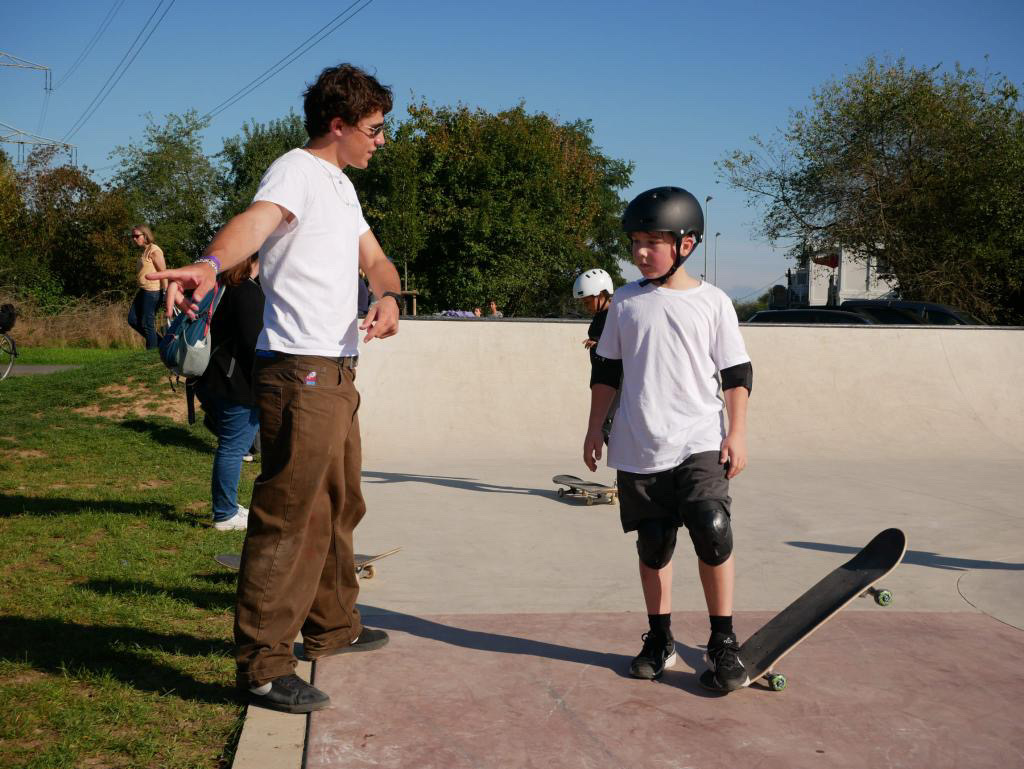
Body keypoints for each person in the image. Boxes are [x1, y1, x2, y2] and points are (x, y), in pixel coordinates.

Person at [149, 63, 403, 714]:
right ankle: (263, 665)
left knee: (340, 501)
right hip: (299, 369)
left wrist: (388, 294)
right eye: (374, 128)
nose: (382, 140)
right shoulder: (296, 170)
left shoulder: (341, 188)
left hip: (338, 367)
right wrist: (210, 263)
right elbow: (255, 221)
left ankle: (333, 624)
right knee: (289, 511)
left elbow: (375, 260)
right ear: (338, 125)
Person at [582, 187, 753, 691]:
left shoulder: (713, 302)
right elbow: (606, 371)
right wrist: (593, 428)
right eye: (635, 242)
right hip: (638, 444)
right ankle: (660, 640)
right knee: (654, 545)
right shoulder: (625, 302)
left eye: (652, 242)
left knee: (712, 527)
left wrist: (737, 433)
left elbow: (737, 373)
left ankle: (723, 641)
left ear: (686, 244)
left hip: (700, 438)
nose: (640, 252)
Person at [196, 254, 264, 531]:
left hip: (215, 377)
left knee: (231, 446)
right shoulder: (247, 291)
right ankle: (225, 514)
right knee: (233, 448)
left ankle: (228, 507)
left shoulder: (221, 287)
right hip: (236, 383)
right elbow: (253, 343)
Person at [573, 268, 618, 443]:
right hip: (600, 378)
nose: (586, 307)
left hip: (615, 383)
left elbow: (623, 345)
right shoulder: (600, 315)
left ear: (601, 295)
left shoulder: (617, 315)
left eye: (587, 302)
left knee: (609, 429)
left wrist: (600, 344)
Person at [127, 225, 167, 349]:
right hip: (143, 290)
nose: (134, 239)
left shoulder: (154, 251)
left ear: (145, 235)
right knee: (132, 319)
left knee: (147, 324)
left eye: (136, 236)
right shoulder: (145, 250)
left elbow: (164, 273)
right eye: (132, 236)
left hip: (153, 292)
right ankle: (161, 343)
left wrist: (166, 293)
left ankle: (152, 352)